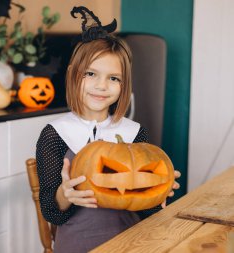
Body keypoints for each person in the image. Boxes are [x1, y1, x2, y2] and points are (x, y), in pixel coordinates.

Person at [36, 6, 180, 253]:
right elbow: (51, 212)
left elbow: (144, 208)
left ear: (124, 85)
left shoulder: (135, 133)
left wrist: (158, 194)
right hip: (77, 246)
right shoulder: (54, 134)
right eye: (91, 74)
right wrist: (64, 194)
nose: (101, 86)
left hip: (131, 244)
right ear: (73, 75)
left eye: (114, 78)